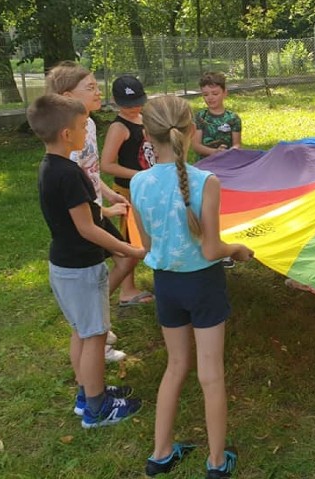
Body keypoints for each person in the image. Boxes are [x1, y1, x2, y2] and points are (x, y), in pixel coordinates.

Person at [130, 95, 253, 479]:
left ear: (147, 137)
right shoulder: (207, 181)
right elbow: (213, 248)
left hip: (165, 285)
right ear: (190, 131)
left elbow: (148, 246)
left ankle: (160, 453)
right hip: (203, 285)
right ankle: (216, 462)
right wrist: (238, 249)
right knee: (210, 373)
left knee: (175, 366)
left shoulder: (137, 182)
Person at [26, 94, 145, 427]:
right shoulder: (69, 173)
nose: (85, 131)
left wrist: (107, 211)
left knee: (81, 331)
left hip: (63, 265)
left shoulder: (49, 167)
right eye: (81, 127)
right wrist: (128, 250)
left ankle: (86, 394)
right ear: (67, 134)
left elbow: (83, 218)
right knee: (94, 336)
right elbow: (87, 228)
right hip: (81, 268)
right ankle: (97, 408)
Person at [45, 62, 144, 360]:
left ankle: (96, 321)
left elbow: (90, 171)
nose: (98, 91)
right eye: (89, 88)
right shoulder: (68, 134)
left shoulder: (87, 124)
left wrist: (111, 195)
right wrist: (102, 209)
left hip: (96, 207)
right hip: (83, 216)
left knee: (124, 262)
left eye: (96, 85)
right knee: (125, 257)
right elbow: (74, 180)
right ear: (66, 96)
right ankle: (92, 330)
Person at [100, 75, 156, 307]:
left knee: (146, 235)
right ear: (115, 101)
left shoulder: (142, 119)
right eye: (128, 104)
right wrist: (140, 175)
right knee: (131, 242)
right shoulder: (119, 127)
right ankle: (126, 291)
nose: (134, 107)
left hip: (147, 188)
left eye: (138, 102)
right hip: (127, 192)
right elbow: (106, 164)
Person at [192, 71, 242, 161]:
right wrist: (215, 152)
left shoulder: (233, 118)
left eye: (215, 94)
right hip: (204, 165)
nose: (210, 97)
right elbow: (196, 146)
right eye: (206, 94)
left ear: (225, 93)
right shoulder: (200, 117)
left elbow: (237, 144)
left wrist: (232, 151)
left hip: (227, 162)